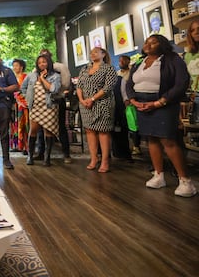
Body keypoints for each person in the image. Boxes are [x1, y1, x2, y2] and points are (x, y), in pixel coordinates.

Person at [126, 35, 196, 197]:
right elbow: (130, 83)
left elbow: (181, 83)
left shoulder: (173, 60)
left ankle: (185, 181)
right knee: (151, 139)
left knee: (168, 140)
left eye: (153, 42)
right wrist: (133, 100)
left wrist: (161, 102)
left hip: (164, 103)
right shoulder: (139, 62)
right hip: (141, 104)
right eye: (146, 42)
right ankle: (158, 174)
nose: (148, 45)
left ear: (163, 44)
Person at [76, 47, 117, 173]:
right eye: (91, 52)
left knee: (103, 131)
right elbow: (79, 86)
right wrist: (82, 100)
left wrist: (92, 99)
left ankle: (105, 160)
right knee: (89, 131)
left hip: (102, 103)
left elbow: (108, 87)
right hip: (85, 104)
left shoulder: (108, 68)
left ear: (103, 54)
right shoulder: (84, 69)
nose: (92, 54)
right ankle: (93, 158)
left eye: (95, 52)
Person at [20, 55, 61, 166]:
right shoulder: (31, 75)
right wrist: (27, 98)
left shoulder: (55, 76)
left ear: (48, 63)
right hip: (36, 107)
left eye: (44, 62)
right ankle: (30, 156)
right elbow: (22, 88)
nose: (42, 64)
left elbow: (53, 89)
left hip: (49, 107)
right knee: (33, 130)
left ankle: (47, 158)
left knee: (48, 131)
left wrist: (42, 79)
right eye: (39, 63)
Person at [36, 49, 72, 164]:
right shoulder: (36, 70)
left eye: (45, 57)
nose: (43, 61)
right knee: (41, 128)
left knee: (60, 126)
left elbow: (66, 83)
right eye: (41, 58)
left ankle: (66, 154)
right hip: (41, 101)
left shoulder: (60, 68)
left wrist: (55, 89)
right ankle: (41, 153)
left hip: (56, 99)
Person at [10, 59, 29, 153]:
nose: (14, 68)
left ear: (21, 66)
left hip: (23, 104)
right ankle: (16, 145)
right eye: (13, 66)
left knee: (24, 125)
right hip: (13, 104)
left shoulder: (25, 77)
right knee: (14, 125)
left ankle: (26, 146)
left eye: (16, 65)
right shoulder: (11, 77)